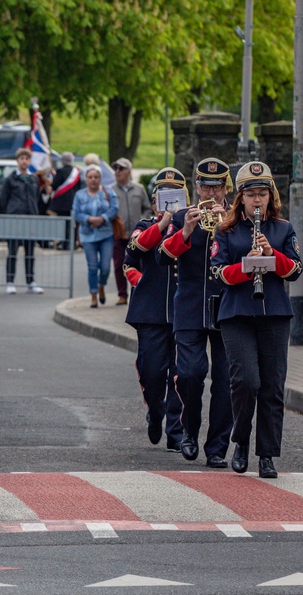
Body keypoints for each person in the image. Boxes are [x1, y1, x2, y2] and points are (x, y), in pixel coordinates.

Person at [211, 161, 303, 478]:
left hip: (275, 314)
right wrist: (248, 265)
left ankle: (266, 455)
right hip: (236, 314)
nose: (257, 200)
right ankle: (240, 441)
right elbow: (218, 272)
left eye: (262, 193)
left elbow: (296, 269)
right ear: (241, 197)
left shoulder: (282, 229)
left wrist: (272, 256)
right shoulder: (226, 230)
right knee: (247, 381)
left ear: (270, 196)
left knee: (272, 387)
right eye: (251, 194)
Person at [157, 157, 233, 468]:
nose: (210, 194)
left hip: (228, 307)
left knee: (227, 380)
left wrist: (227, 222)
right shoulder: (179, 216)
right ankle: (188, 431)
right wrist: (186, 231)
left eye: (216, 187)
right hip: (189, 306)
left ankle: (217, 447)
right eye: (204, 186)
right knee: (189, 374)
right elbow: (163, 257)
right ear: (196, 186)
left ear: (226, 188)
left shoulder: (236, 218)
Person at [122, 167, 185, 452]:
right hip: (150, 311)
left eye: (176, 195)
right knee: (151, 372)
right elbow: (132, 254)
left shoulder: (192, 225)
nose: (169, 201)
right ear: (155, 199)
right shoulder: (145, 225)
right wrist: (163, 224)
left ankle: (176, 429)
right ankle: (156, 413)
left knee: (180, 374)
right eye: (164, 195)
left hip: (183, 310)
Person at [0, 147, 49, 294]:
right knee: (13, 251)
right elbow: (3, 198)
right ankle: (10, 282)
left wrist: (46, 196)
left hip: (30, 218)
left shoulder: (33, 179)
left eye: (27, 159)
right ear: (18, 160)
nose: (24, 161)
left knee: (30, 252)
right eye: (22, 158)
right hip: (15, 219)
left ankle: (30, 281)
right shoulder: (10, 179)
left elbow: (37, 199)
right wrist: (11, 212)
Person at [72, 164, 118, 307]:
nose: (93, 180)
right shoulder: (80, 195)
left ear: (100, 178)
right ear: (86, 179)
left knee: (105, 267)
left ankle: (101, 285)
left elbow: (114, 208)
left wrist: (102, 218)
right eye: (90, 177)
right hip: (87, 235)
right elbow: (76, 213)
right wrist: (89, 219)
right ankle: (93, 295)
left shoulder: (108, 192)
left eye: (96, 177)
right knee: (92, 267)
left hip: (106, 234)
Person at [110, 157, 152, 306]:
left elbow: (147, 207)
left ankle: (138, 292)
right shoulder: (111, 190)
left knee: (138, 265)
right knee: (118, 265)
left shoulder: (139, 188)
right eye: (115, 168)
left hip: (137, 236)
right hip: (118, 235)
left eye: (121, 168)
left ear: (129, 171)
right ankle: (122, 295)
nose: (117, 171)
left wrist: (143, 221)